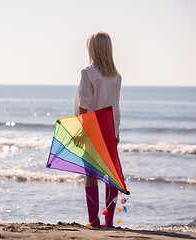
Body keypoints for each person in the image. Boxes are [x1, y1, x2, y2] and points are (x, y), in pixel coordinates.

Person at [75, 31, 121, 228]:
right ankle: (109, 221)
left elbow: (84, 105)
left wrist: (79, 131)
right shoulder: (116, 76)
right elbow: (116, 106)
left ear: (93, 50)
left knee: (91, 175)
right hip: (110, 128)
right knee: (111, 175)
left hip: (92, 128)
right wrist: (117, 131)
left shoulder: (88, 73)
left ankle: (94, 221)